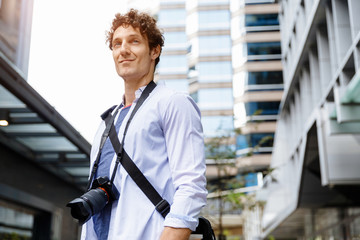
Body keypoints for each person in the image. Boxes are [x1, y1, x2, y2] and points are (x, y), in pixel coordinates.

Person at [80, 9, 207, 240]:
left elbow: (191, 187)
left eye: (134, 41)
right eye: (117, 44)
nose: (123, 50)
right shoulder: (106, 122)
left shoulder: (173, 103)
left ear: (154, 51)